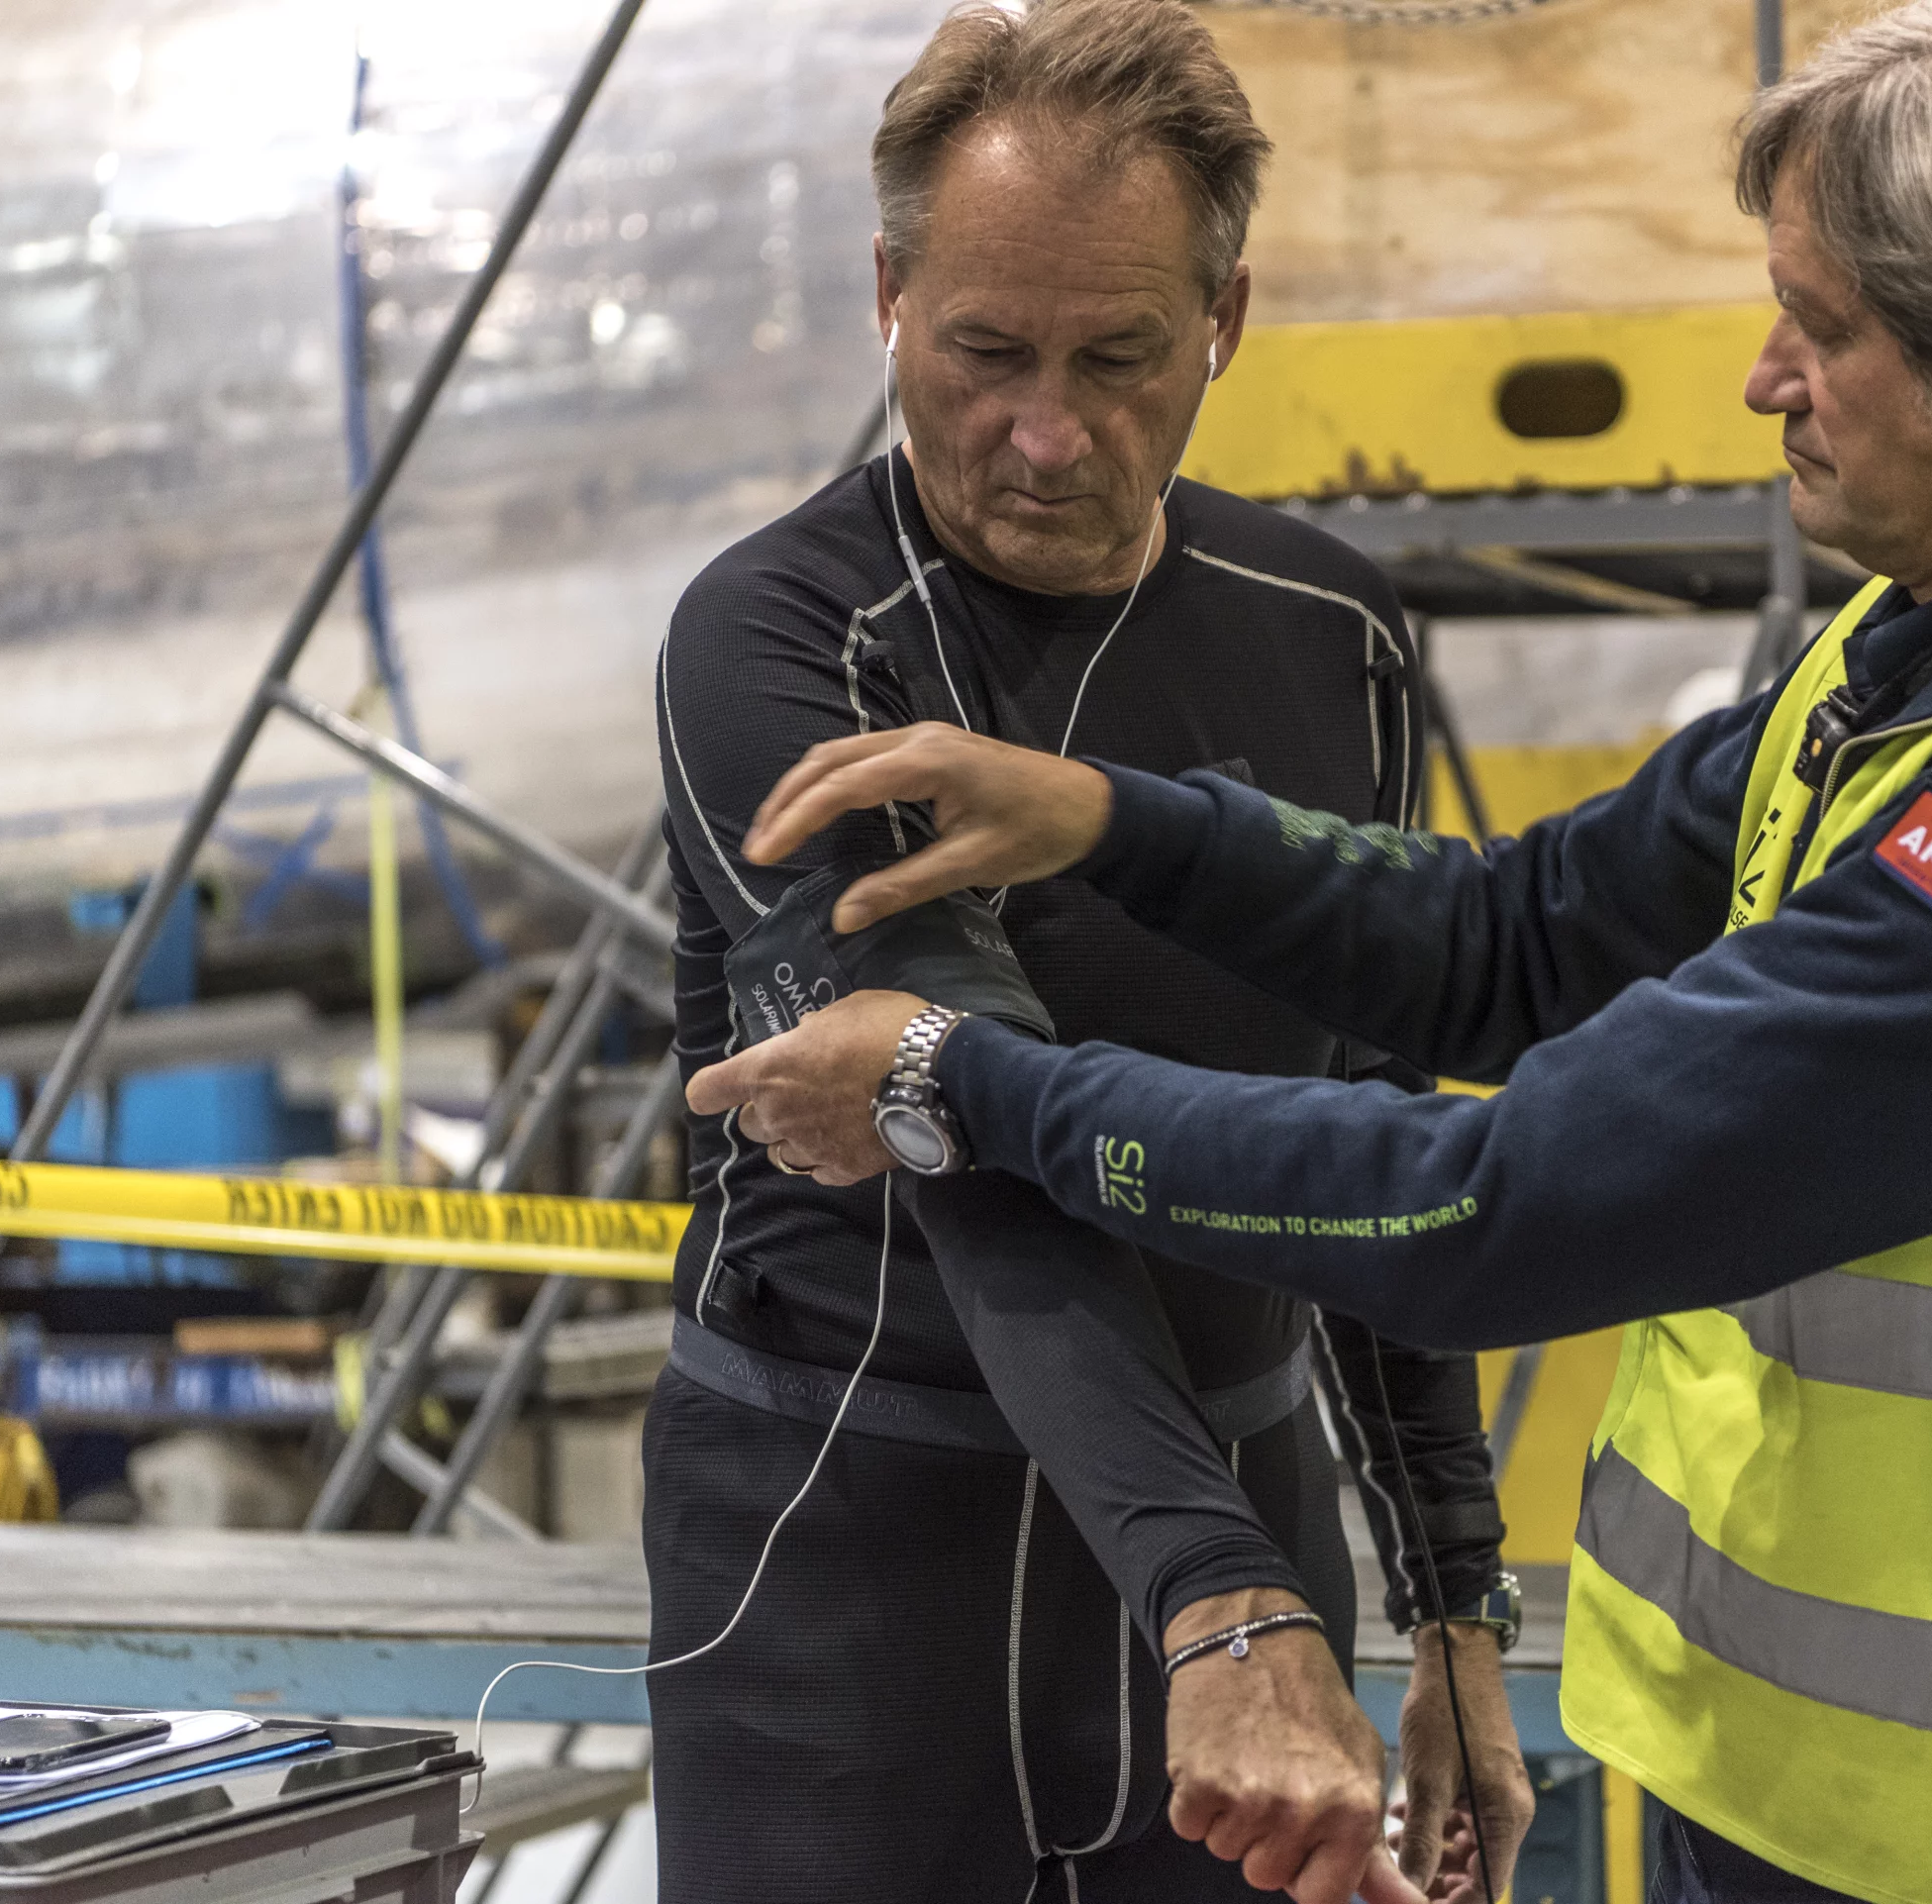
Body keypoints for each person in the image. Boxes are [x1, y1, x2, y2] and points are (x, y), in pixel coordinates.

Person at [693, 3, 1932, 1901]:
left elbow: (1486, 1205)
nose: (1766, 376)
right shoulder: (1920, 661)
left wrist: (959, 1082)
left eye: (1822, 326)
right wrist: (1121, 821)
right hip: (1798, 1771)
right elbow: (1505, 941)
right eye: (985, 347)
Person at [644, 3, 1530, 1901]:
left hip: (1233, 1498)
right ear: (888, 292)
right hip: (848, 1550)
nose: (1045, 435)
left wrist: (1455, 1599)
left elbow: (1372, 1136)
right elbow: (957, 1134)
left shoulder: (1327, 633)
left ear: (1225, 319)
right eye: (983, 352)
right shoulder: (781, 647)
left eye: (1120, 357)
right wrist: (1225, 1600)